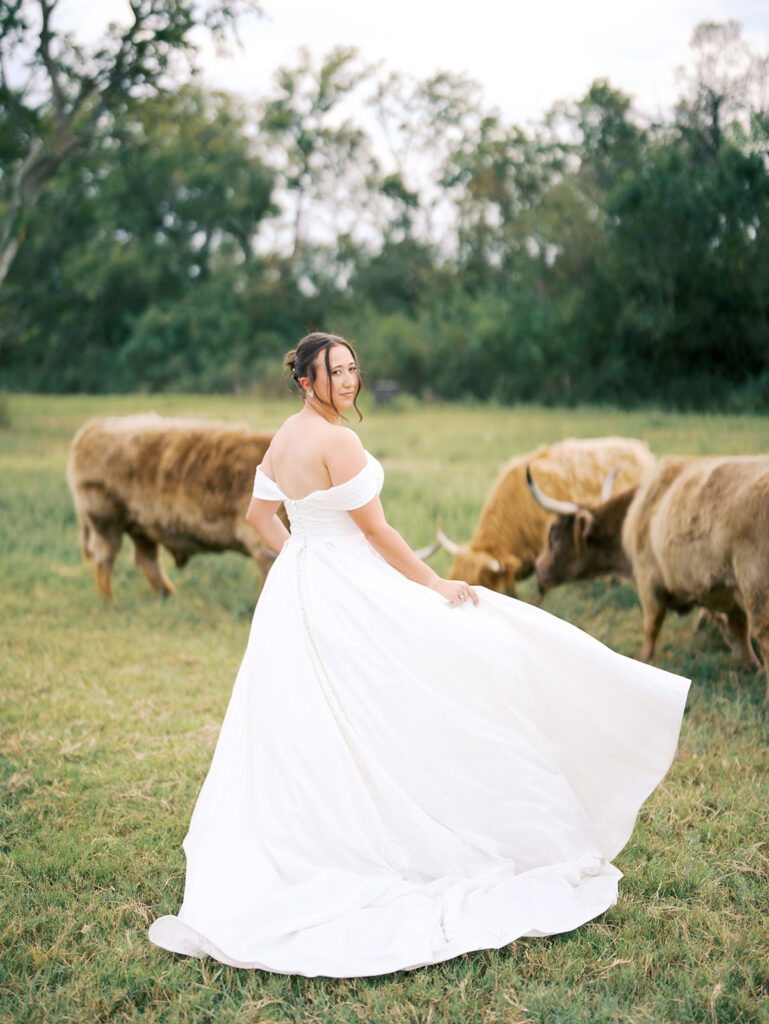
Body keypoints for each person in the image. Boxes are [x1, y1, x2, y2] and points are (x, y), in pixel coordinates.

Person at [149, 332, 690, 978]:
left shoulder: (285, 436)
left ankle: (326, 824)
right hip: (345, 584)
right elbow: (376, 531)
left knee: (319, 707)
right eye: (335, 372)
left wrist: (305, 555)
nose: (348, 381)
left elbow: (260, 517)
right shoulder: (339, 443)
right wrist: (431, 582)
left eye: (353, 368)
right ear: (306, 381)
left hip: (301, 588)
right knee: (451, 657)